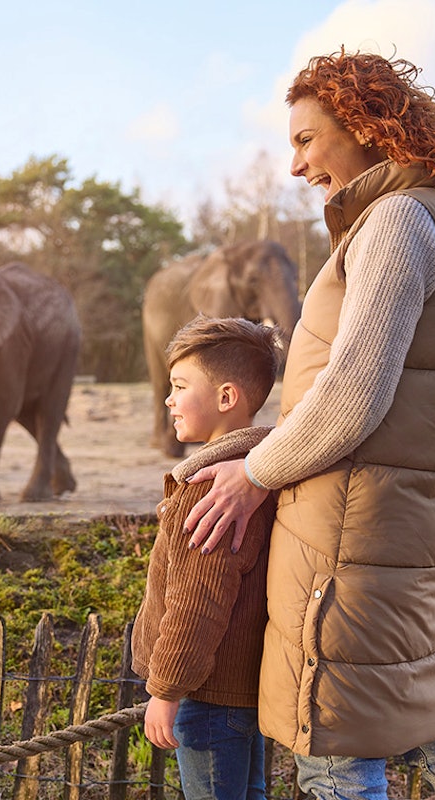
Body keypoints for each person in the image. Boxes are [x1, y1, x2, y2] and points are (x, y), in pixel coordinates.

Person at [182, 50, 435, 799]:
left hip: (349, 534)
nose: (296, 164)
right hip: (416, 528)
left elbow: (354, 392)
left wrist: (252, 473)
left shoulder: (396, 219)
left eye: (306, 139)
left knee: (329, 740)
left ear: (366, 124)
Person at [131, 316, 282, 800]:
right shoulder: (257, 474)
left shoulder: (213, 491)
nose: (169, 399)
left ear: (226, 398)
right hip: (239, 690)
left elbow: (198, 603)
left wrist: (166, 690)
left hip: (206, 693)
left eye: (179, 386)